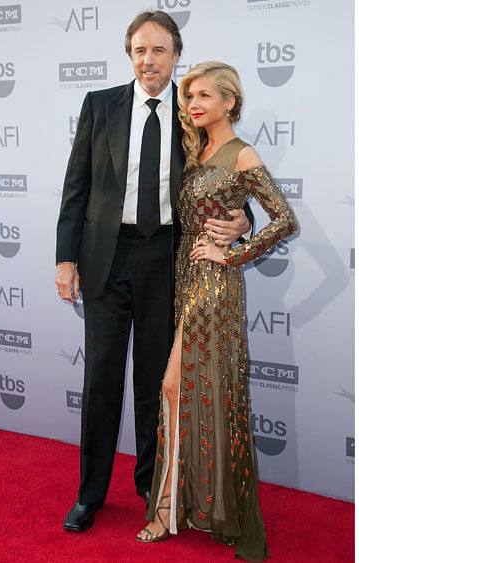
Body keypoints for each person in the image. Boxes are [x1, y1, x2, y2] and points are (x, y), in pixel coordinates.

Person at [55, 12, 253, 533]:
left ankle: (150, 486)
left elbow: (225, 179)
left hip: (166, 260)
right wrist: (64, 258)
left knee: (153, 384)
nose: (149, 60)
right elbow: (75, 187)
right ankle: (90, 494)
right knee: (100, 383)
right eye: (140, 50)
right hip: (105, 259)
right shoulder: (100, 106)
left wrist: (243, 219)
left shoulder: (194, 117)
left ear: (175, 56)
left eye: (159, 50)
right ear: (130, 55)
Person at [134, 61, 298, 562]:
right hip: (183, 278)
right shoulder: (195, 149)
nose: (194, 103)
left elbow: (284, 220)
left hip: (214, 284)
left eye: (205, 95)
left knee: (174, 386)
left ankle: (168, 510)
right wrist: (239, 224)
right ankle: (184, 505)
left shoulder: (241, 153)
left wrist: (237, 250)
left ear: (230, 101)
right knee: (191, 392)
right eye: (189, 97)